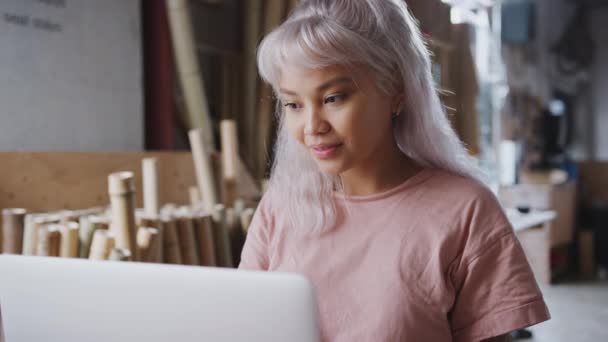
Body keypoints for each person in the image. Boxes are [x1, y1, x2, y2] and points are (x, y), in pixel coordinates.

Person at [239, 0, 550, 341]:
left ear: (397, 91)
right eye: (294, 104)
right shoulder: (279, 207)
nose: (312, 126)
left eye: (333, 98)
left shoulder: (465, 210)